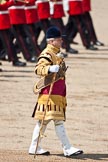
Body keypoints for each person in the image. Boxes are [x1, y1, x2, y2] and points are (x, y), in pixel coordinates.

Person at [29, 26, 83, 157]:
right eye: (59, 40)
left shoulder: (57, 53)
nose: (61, 42)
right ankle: (67, 148)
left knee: (43, 121)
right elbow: (38, 69)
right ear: (51, 41)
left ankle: (34, 147)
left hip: (56, 93)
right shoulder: (47, 54)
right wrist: (49, 69)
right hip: (49, 93)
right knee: (55, 121)